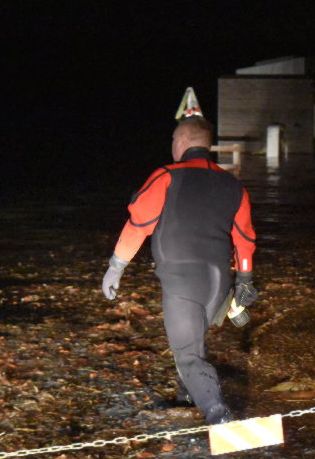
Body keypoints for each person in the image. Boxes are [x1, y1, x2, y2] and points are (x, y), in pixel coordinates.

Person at [101, 116, 257, 425]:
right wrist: (245, 280)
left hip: (183, 280)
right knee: (193, 343)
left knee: (187, 354)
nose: (173, 146)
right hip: (218, 281)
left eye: (174, 140)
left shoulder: (166, 176)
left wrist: (115, 267)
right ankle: (188, 400)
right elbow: (245, 238)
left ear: (183, 142)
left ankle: (219, 418)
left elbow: (138, 224)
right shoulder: (233, 184)